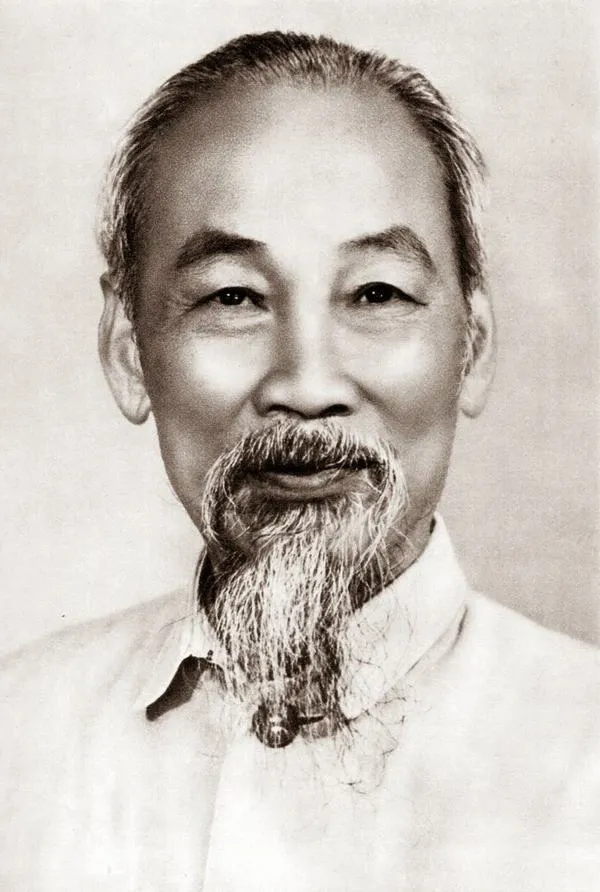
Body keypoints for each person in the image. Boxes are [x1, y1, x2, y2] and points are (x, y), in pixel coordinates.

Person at [0, 30, 598, 891]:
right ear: (128, 350)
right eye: (233, 297)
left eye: (377, 293)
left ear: (473, 344)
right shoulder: (20, 737)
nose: (308, 385)